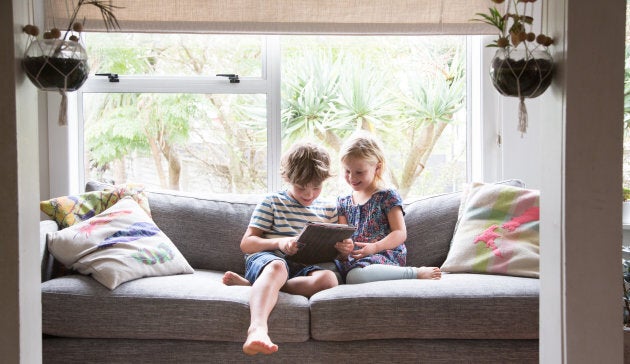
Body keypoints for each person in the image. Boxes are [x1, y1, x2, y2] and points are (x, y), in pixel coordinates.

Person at [222, 142, 353, 356]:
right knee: (277, 268)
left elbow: (334, 251)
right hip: (269, 260)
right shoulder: (272, 202)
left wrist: (343, 249)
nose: (309, 194)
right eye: (302, 187)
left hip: (305, 267)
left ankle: (257, 286)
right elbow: (247, 243)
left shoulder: (330, 208)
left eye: (316, 187)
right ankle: (258, 329)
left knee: (330, 279)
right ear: (288, 178)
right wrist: (279, 243)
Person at [334, 131, 442, 284]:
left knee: (355, 276)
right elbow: (343, 236)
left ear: (377, 168)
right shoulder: (343, 201)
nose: (352, 178)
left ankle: (414, 273)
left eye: (359, 172)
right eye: (347, 171)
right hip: (354, 260)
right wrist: (344, 250)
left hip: (383, 255)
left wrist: (374, 247)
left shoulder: (386, 196)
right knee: (330, 274)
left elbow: (400, 232)